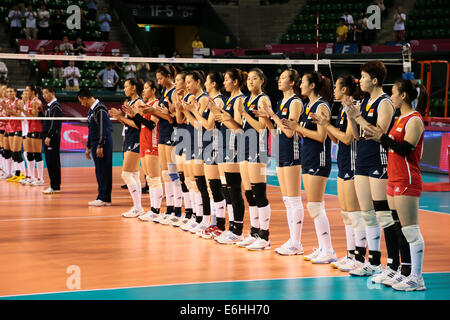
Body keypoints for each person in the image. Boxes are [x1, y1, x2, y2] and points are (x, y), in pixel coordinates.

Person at [363, 79, 427, 291]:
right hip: (394, 178)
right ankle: (405, 271)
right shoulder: (400, 119)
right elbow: (389, 143)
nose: (391, 97)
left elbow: (406, 149)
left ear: (404, 96)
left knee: (410, 230)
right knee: (399, 228)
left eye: (394, 93)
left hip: (407, 179)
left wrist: (382, 137)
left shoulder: (414, 120)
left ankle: (417, 277)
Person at [344, 60, 399, 281]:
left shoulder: (385, 102)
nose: (360, 80)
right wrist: (350, 114)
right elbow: (357, 135)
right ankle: (373, 262)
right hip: (362, 159)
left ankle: (393, 264)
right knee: (367, 213)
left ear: (375, 80)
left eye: (364, 76)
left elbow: (379, 133)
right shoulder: (365, 100)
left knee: (383, 214)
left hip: (379, 159)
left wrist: (357, 116)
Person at [282, 72, 337, 264]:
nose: (300, 86)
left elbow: (322, 136)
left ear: (312, 85)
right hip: (308, 157)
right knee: (314, 206)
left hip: (319, 159)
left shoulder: (321, 106)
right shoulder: (308, 106)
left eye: (303, 83)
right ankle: (323, 247)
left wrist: (296, 127)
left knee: (315, 206)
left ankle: (328, 249)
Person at [311, 75, 363, 272]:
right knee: (346, 214)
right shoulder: (341, 109)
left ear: (345, 89)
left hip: (352, 164)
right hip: (342, 163)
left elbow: (348, 139)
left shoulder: (352, 107)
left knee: (354, 214)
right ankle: (350, 254)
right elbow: (336, 139)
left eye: (337, 86)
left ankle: (358, 256)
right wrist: (325, 124)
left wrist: (327, 125)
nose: (333, 89)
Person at [256, 68, 304, 255]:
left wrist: (273, 115)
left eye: (284, 78)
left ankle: (297, 242)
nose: (279, 80)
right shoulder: (280, 101)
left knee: (293, 199)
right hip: (281, 150)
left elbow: (290, 131)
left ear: (292, 82)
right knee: (286, 199)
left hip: (292, 151)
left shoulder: (295, 102)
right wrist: (267, 118)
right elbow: (276, 129)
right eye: (280, 77)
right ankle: (293, 240)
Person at [232, 68, 272, 250]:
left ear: (262, 81)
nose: (250, 82)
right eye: (249, 79)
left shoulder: (263, 99)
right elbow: (242, 126)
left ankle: (265, 236)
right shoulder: (246, 99)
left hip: (258, 149)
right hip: (245, 147)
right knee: (249, 193)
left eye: (255, 78)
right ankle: (255, 232)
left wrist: (245, 113)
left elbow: (261, 127)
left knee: (259, 193)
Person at [212, 68, 247, 245]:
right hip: (225, 146)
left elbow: (239, 128)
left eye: (226, 79)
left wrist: (224, 118)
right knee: (227, 189)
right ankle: (232, 227)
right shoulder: (229, 100)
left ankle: (238, 230)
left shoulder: (239, 100)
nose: (224, 82)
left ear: (235, 82)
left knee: (234, 189)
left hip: (234, 147)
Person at [109, 79, 145, 217]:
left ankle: (138, 207)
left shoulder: (139, 103)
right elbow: (130, 123)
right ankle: (138, 207)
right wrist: (118, 117)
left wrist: (121, 118)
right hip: (130, 138)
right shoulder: (130, 103)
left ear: (134, 87)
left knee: (126, 174)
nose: (124, 89)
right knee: (134, 174)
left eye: (126, 86)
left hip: (136, 138)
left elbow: (138, 125)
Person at [79, 88, 113, 206]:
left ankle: (104, 198)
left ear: (85, 98)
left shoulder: (100, 109)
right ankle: (102, 196)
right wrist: (88, 146)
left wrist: (100, 145)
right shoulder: (91, 111)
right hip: (94, 142)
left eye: (81, 102)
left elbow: (103, 128)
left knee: (104, 170)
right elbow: (91, 129)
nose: (81, 104)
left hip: (103, 143)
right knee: (99, 170)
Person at [41, 86, 62, 194]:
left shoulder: (55, 106)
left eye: (46, 93)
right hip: (47, 136)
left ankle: (54, 186)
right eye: (43, 94)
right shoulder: (48, 106)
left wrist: (49, 136)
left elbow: (55, 123)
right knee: (51, 162)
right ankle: (55, 185)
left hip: (51, 138)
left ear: (52, 93)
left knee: (52, 162)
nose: (44, 96)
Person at [23, 85, 44, 186]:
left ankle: (40, 178)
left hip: (37, 129)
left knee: (37, 154)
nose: (25, 92)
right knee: (29, 154)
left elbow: (35, 117)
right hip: (30, 129)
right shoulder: (28, 102)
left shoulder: (36, 101)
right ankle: (31, 176)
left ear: (32, 92)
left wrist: (22, 110)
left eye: (27, 90)